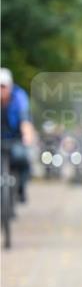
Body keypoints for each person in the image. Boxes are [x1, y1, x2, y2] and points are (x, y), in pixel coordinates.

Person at [0, 68, 35, 203]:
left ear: (10, 86)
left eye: (3, 86)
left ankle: (21, 188)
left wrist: (27, 136)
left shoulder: (19, 97)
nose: (1, 90)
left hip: (16, 138)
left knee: (23, 159)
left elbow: (25, 119)